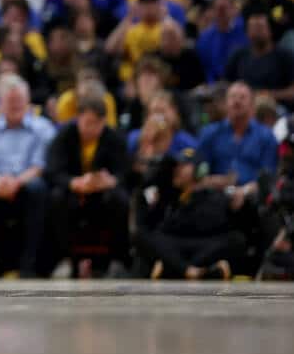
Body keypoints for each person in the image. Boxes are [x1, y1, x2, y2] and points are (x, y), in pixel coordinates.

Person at [0, 75, 55, 276]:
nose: (15, 104)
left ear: (28, 101)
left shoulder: (43, 128)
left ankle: (30, 262)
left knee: (38, 188)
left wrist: (16, 182)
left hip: (26, 185)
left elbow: (40, 165)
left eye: (19, 100)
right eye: (10, 100)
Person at [45, 93, 130, 278]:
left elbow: (125, 172)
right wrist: (73, 182)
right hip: (74, 191)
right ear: (78, 118)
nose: (92, 128)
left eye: (98, 123)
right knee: (55, 197)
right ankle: (65, 259)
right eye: (88, 122)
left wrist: (110, 181)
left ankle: (115, 260)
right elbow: (53, 171)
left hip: (102, 193)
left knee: (120, 199)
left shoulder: (114, 138)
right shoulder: (65, 135)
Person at [133, 148, 245, 280]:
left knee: (236, 239)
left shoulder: (213, 195)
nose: (177, 170)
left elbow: (212, 224)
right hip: (176, 245)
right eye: (177, 166)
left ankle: (175, 270)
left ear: (199, 170)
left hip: (203, 245)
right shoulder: (170, 194)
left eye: (183, 165)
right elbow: (158, 227)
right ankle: (192, 271)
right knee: (142, 235)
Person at [196, 82, 279, 200]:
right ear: (225, 103)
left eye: (242, 97)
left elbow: (269, 176)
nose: (237, 101)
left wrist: (244, 191)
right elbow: (199, 173)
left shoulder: (267, 136)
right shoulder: (209, 133)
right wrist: (216, 181)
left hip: (253, 199)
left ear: (252, 105)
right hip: (214, 196)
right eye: (233, 97)